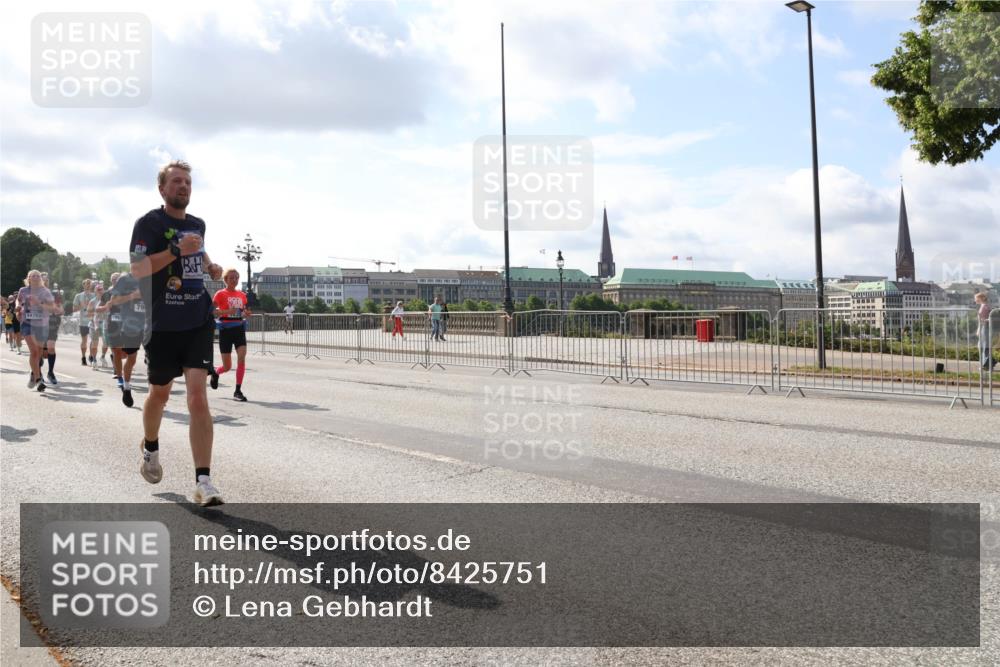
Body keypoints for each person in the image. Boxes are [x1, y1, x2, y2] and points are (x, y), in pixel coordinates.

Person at [130, 159, 224, 506]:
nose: (183, 186)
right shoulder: (149, 223)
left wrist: (208, 263)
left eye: (187, 182)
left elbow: (196, 252)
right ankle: (150, 447)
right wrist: (173, 250)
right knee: (160, 395)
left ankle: (204, 481)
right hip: (162, 325)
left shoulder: (198, 224)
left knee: (198, 397)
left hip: (198, 317)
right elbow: (138, 268)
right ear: (162, 189)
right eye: (176, 182)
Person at [107, 271, 146, 407]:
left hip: (150, 325)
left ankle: (156, 394)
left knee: (155, 359)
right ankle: (127, 386)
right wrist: (133, 296)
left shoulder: (154, 276)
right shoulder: (125, 279)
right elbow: (114, 301)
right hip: (131, 326)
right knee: (132, 358)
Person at [213, 268, 251, 402]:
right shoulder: (220, 294)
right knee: (227, 366)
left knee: (241, 358)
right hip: (225, 330)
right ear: (225, 280)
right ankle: (216, 372)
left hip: (239, 329)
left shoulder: (242, 295)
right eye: (231, 278)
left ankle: (237, 390)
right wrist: (227, 311)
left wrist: (246, 314)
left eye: (236, 277)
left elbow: (245, 311)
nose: (234, 280)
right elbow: (212, 311)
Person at [17, 270, 56, 392]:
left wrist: (39, 303)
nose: (35, 277)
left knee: (39, 353)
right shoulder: (23, 290)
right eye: (32, 275)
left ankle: (34, 374)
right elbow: (19, 300)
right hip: (27, 323)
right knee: (34, 351)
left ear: (41, 279)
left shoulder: (45, 291)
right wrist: (18, 306)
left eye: (37, 275)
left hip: (41, 324)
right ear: (28, 278)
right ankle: (39, 380)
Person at [73, 279, 94, 365]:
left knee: (93, 340)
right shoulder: (78, 296)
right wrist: (81, 306)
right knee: (84, 340)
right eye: (87, 284)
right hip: (83, 322)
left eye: (90, 284)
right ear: (83, 285)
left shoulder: (94, 295)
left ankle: (92, 355)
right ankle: (83, 357)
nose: (89, 285)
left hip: (93, 321)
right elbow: (74, 309)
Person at [976, 292, 996, 371]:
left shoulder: (985, 306)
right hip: (983, 327)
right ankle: (987, 364)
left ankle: (987, 365)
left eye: (976, 298)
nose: (975, 300)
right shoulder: (983, 306)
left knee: (984, 347)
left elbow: (987, 319)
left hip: (985, 327)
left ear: (981, 298)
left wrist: (983, 323)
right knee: (981, 346)